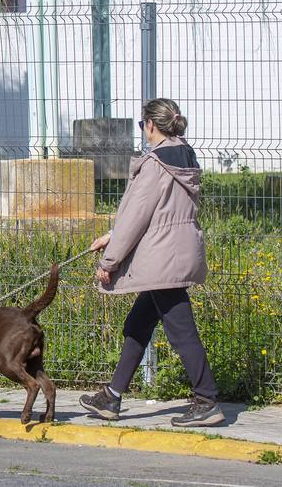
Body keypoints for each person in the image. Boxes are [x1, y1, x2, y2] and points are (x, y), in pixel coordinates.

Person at [79, 98, 224, 427]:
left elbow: (136, 217)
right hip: (177, 250)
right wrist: (112, 234)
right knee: (138, 324)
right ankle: (111, 397)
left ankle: (206, 400)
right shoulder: (183, 155)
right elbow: (160, 211)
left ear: (150, 125)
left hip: (161, 257)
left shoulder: (155, 163)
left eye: (143, 124)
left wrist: (109, 261)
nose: (143, 130)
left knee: (181, 329)